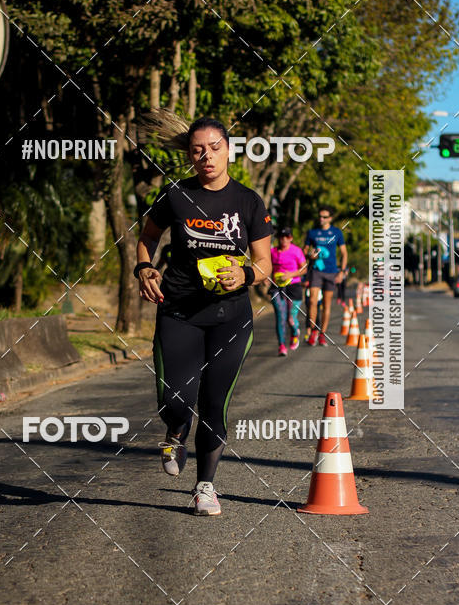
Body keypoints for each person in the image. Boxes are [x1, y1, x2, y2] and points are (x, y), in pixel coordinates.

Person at [135, 113, 272, 516]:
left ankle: (205, 487)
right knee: (176, 398)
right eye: (198, 150)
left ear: (228, 150)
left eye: (215, 148)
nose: (207, 156)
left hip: (231, 317)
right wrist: (144, 268)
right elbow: (147, 238)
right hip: (178, 310)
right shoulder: (175, 195)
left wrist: (245, 273)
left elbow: (264, 261)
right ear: (190, 155)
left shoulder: (248, 201)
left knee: (215, 401)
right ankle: (175, 430)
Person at [303, 205, 347, 345]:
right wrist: (310, 255)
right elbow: (305, 251)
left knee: (327, 305)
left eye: (325, 217)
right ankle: (313, 330)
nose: (321, 219)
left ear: (330, 218)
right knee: (312, 301)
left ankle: (323, 333)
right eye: (320, 216)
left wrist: (342, 271)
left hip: (331, 272)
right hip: (316, 271)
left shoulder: (337, 233)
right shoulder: (312, 232)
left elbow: (344, 253)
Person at [267, 228, 307, 355]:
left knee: (290, 318)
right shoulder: (272, 252)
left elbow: (304, 269)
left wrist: (291, 274)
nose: (284, 239)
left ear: (291, 238)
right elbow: (267, 267)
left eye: (287, 236)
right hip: (276, 287)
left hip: (293, 287)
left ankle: (295, 332)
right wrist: (266, 278)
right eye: (281, 236)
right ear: (278, 238)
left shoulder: (296, 251)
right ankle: (282, 345)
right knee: (280, 316)